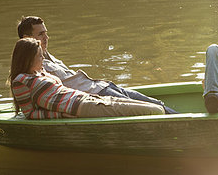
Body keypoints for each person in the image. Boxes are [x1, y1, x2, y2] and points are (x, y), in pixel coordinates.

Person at [17, 16, 177, 114]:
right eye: (40, 34)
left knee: (156, 103)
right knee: (150, 109)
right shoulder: (36, 67)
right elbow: (42, 93)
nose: (46, 37)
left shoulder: (48, 56)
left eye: (46, 33)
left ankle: (187, 120)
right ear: (27, 38)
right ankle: (187, 127)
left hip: (103, 85)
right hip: (97, 97)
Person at [9, 38, 165, 119]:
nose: (43, 58)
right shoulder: (21, 81)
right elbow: (30, 114)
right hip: (82, 107)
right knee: (154, 110)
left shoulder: (39, 73)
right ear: (27, 59)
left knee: (153, 106)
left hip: (90, 98)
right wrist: (61, 115)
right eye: (39, 56)